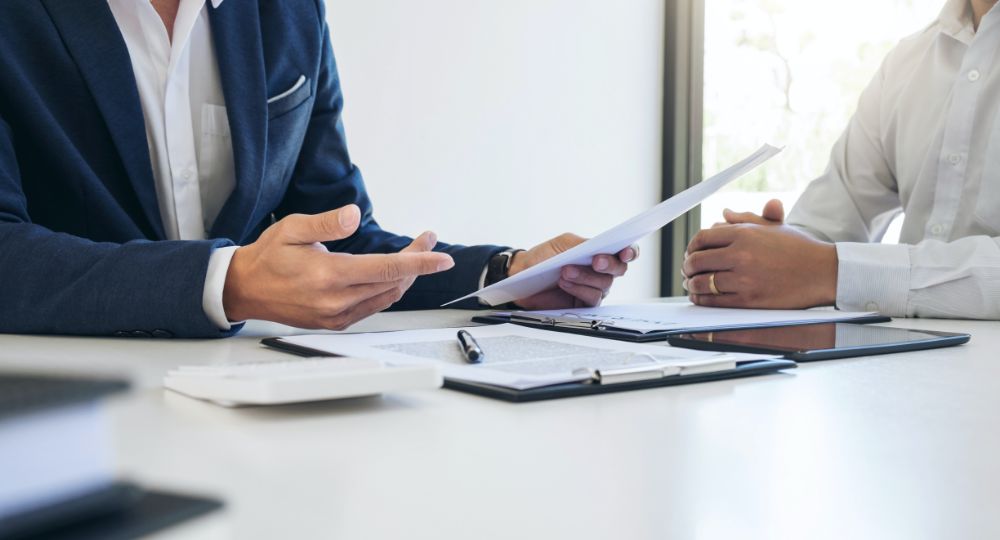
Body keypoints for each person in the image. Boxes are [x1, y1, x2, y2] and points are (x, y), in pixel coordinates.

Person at [0, 0, 636, 338]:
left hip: (254, 417)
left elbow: (339, 237)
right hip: (60, 417)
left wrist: (507, 276)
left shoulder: (290, 10)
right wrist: (226, 281)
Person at [684, 0, 1000, 320]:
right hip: (903, 363)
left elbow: (822, 266)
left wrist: (830, 271)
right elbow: (836, 217)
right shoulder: (908, 62)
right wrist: (763, 251)